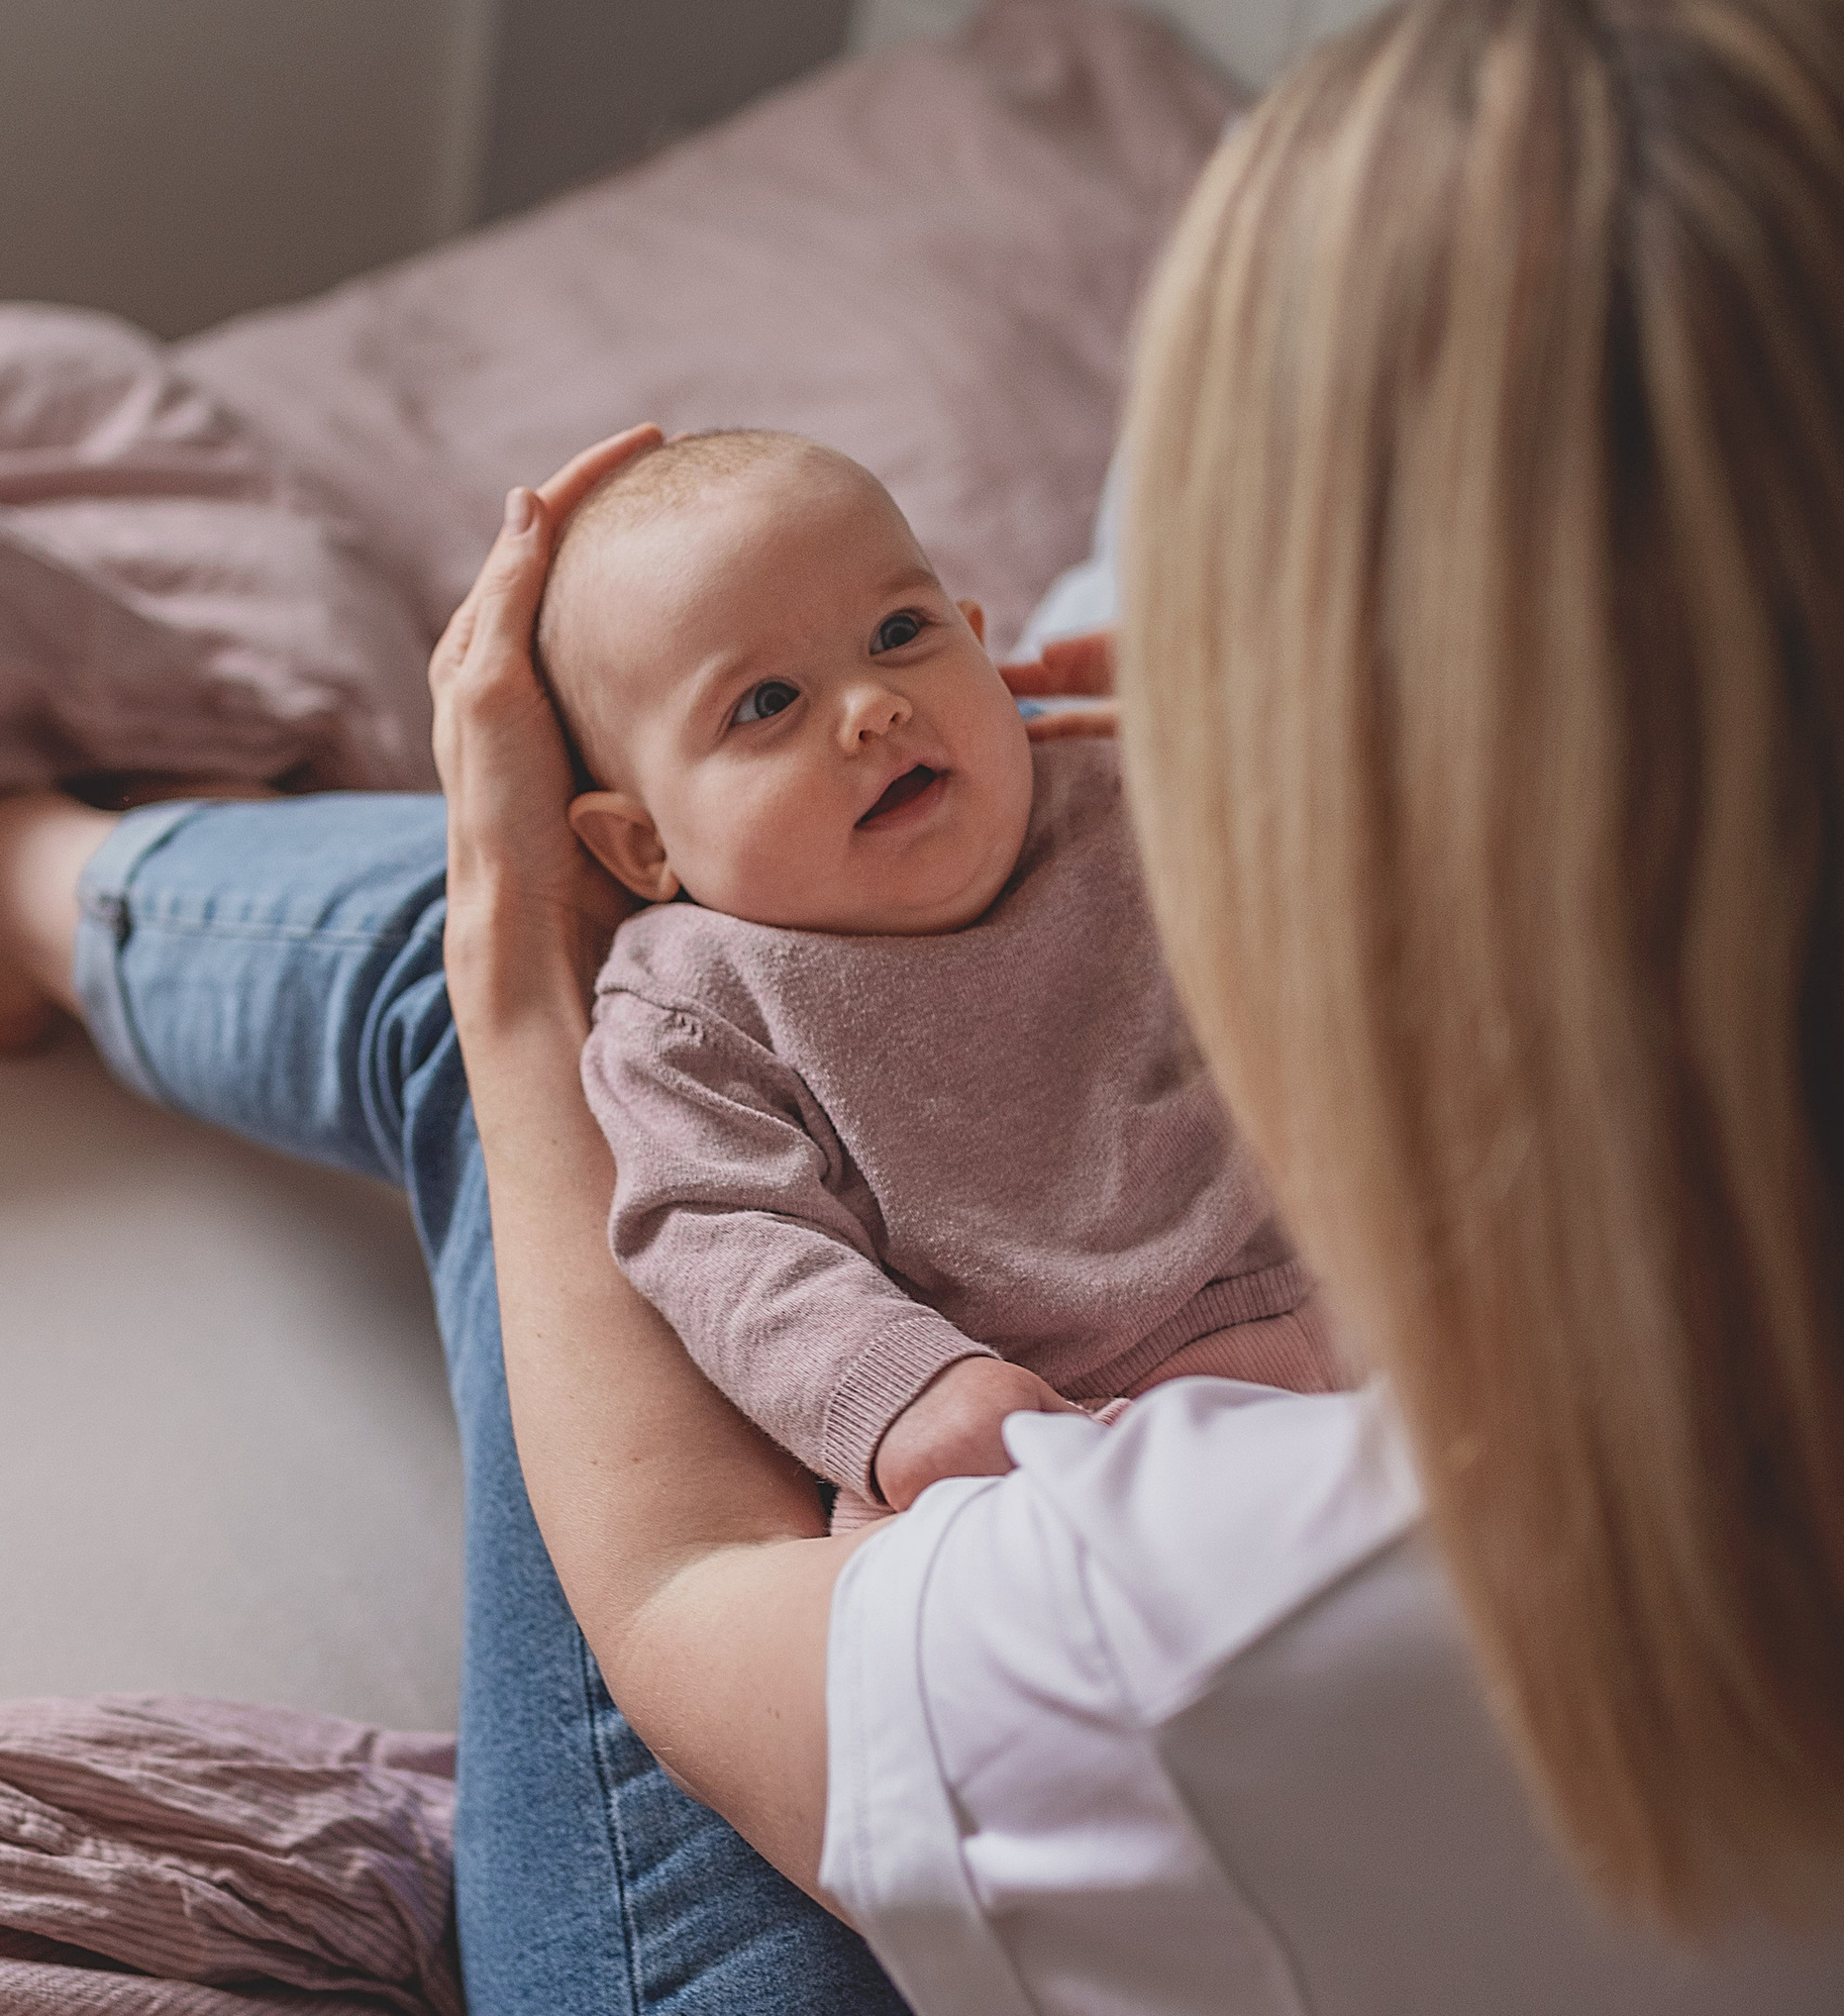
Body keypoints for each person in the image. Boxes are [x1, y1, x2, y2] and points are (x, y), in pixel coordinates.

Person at [0, 0, 1844, 2016]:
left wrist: (510, 946)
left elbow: (710, 1633)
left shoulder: (1319, 1598)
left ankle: (20, 888)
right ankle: (99, 899)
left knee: (548, 1070)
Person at [537, 423, 1334, 1526]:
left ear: (978, 642)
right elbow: (721, 1234)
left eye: (900, 633)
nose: (872, 707)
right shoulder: (691, 1006)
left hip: (1363, 1316)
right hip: (1039, 1438)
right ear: (642, 846)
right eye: (767, 703)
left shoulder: (1135, 800)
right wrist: (905, 1390)